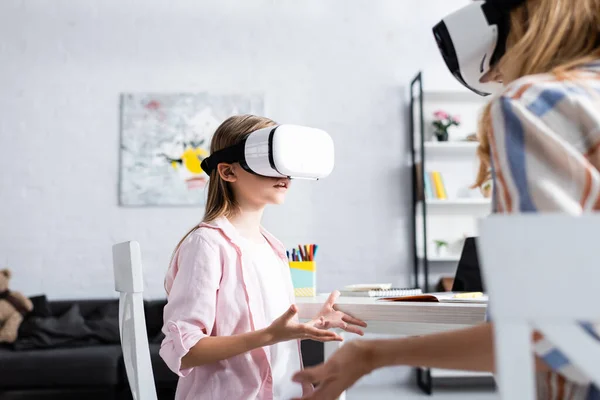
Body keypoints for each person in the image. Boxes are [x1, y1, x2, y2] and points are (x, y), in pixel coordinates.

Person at [291, 0, 600, 399]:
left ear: (521, 29)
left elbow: (558, 335)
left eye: (493, 62)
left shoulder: (537, 106)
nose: (494, 77)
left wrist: (372, 355)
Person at [159, 115, 367, 400]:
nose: (284, 175)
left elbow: (269, 330)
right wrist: (270, 335)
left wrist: (311, 325)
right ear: (228, 172)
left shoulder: (273, 247)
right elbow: (182, 353)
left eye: (285, 162)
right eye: (269, 162)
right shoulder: (206, 244)